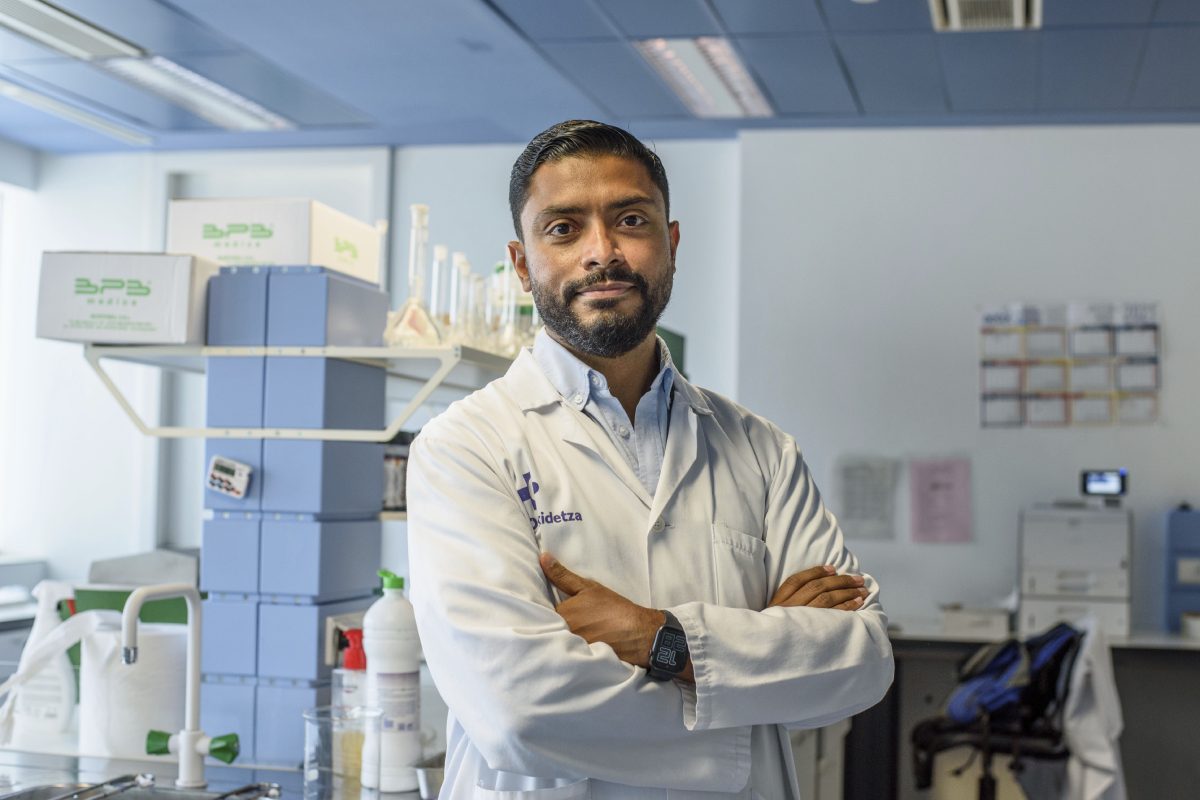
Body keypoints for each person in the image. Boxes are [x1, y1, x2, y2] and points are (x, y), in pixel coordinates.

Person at [407, 119, 894, 799]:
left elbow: (863, 662)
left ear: (671, 243)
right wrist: (750, 694)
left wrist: (660, 638)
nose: (601, 252)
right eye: (563, 229)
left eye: (630, 220)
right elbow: (519, 707)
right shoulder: (464, 448)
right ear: (522, 264)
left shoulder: (762, 450)